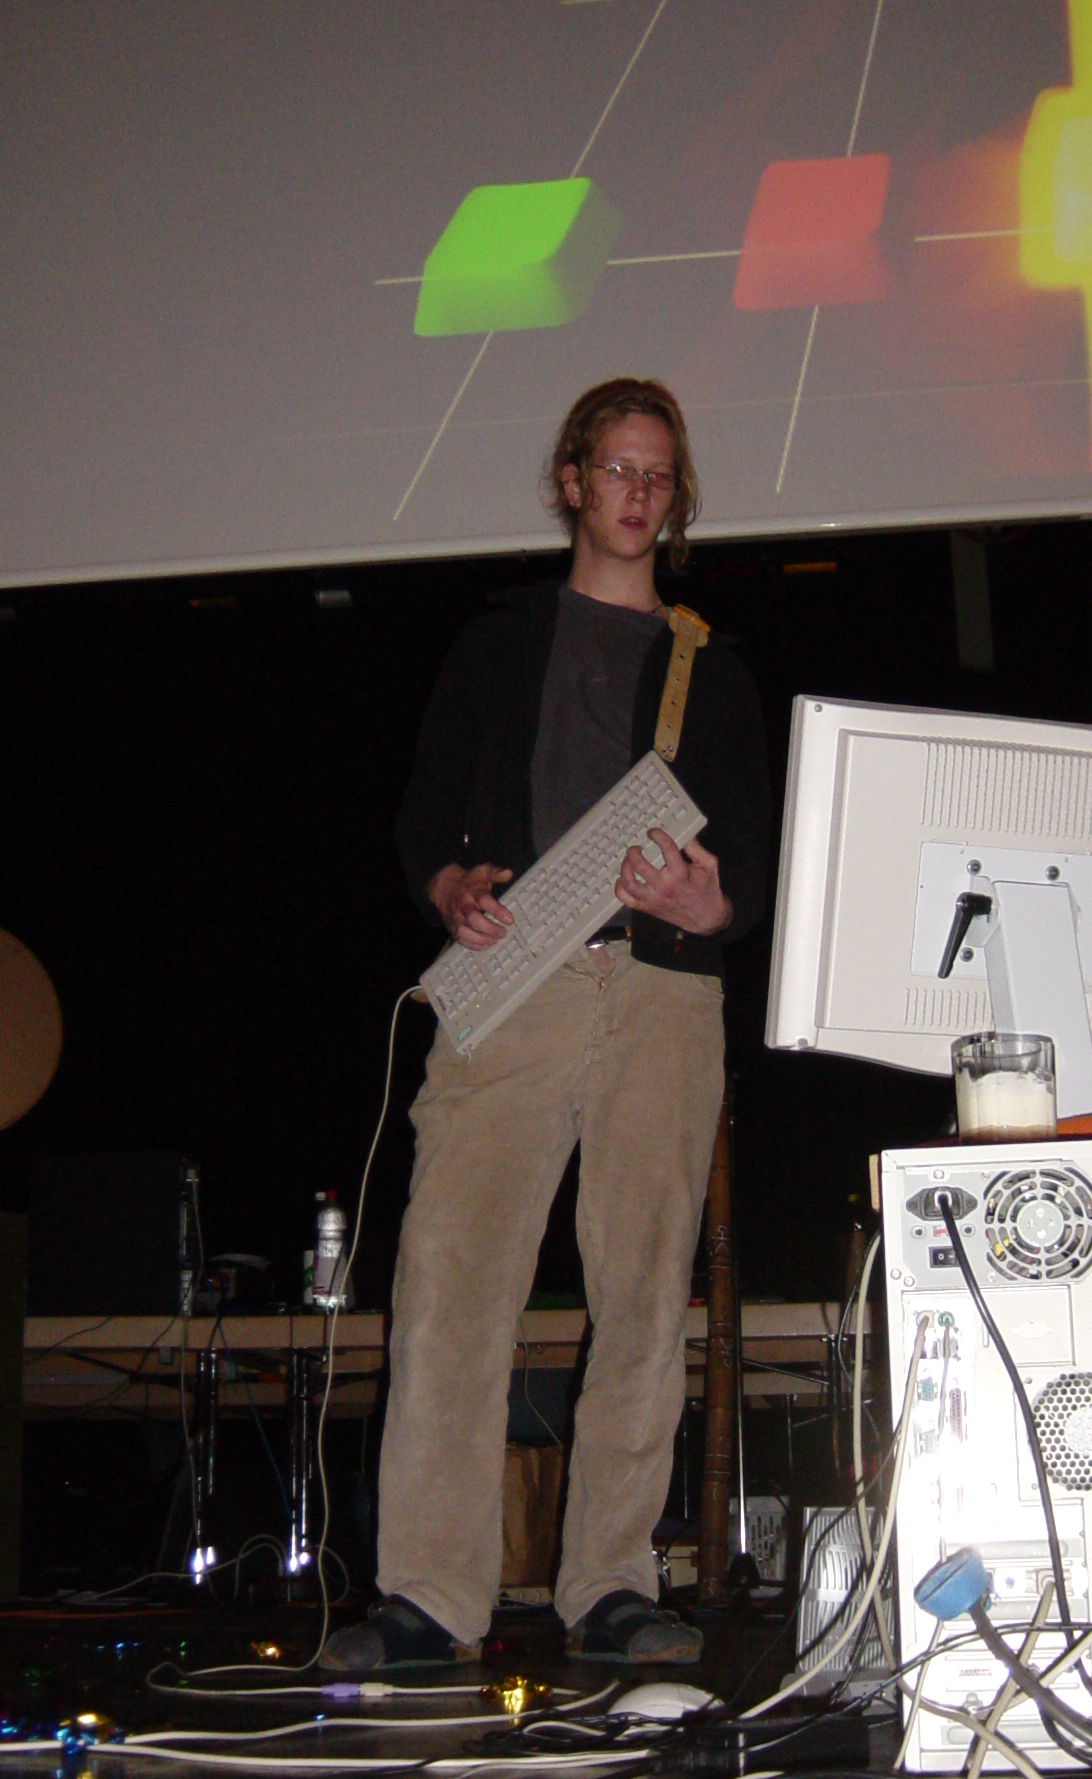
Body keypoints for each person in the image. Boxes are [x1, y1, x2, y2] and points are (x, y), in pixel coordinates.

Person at [320, 378, 769, 1670]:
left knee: (644, 1293)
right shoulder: (498, 641)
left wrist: (714, 901)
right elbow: (422, 818)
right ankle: (429, 1594)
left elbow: (752, 852)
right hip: (513, 983)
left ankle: (612, 1584)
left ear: (677, 498)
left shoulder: (713, 666)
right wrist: (450, 887)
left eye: (659, 475)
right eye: (617, 468)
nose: (639, 492)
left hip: (663, 993)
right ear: (571, 480)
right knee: (450, 1281)